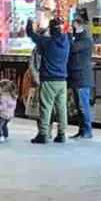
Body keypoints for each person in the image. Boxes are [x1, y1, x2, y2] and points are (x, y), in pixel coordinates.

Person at [26, 16, 70, 144]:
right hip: (62, 80)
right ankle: (62, 133)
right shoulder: (66, 41)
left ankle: (44, 133)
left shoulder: (47, 42)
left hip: (49, 79)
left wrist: (30, 22)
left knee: (46, 107)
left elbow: (31, 34)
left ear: (51, 30)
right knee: (61, 108)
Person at [67, 10, 95, 140]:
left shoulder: (85, 39)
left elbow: (73, 48)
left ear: (78, 25)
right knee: (79, 106)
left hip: (82, 78)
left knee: (83, 106)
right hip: (76, 77)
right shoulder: (78, 38)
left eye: (74, 24)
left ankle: (87, 130)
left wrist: (69, 36)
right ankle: (82, 129)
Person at [0, 78, 18, 143]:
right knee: (4, 125)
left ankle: (0, 137)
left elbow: (3, 107)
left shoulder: (3, 97)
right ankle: (5, 136)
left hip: (4, 114)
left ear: (4, 89)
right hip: (10, 115)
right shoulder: (12, 96)